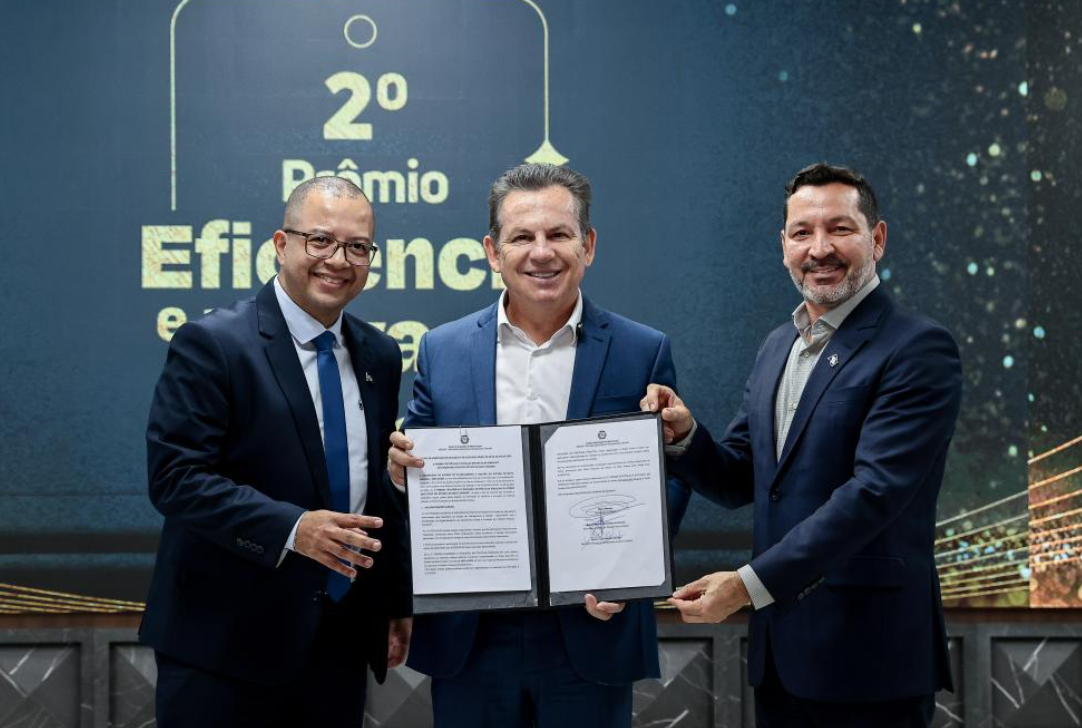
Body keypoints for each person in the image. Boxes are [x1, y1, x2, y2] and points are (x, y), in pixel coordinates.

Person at [651, 163, 961, 727]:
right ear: (784, 246)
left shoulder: (918, 347)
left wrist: (746, 586)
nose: (820, 248)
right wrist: (687, 436)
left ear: (877, 238)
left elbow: (873, 494)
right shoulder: (779, 346)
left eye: (839, 229)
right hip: (782, 656)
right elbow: (742, 477)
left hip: (871, 659)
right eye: (802, 232)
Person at [386, 163, 691, 728]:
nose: (541, 252)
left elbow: (670, 471)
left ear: (588, 245)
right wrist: (400, 473)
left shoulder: (642, 350)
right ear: (492, 252)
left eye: (559, 234)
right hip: (471, 634)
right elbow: (412, 479)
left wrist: (630, 568)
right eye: (522, 236)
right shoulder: (442, 350)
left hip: (592, 627)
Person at [140, 177, 411, 727]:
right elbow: (176, 478)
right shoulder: (213, 343)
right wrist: (293, 529)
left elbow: (373, 492)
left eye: (358, 247)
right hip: (224, 649)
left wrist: (392, 600)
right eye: (320, 240)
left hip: (338, 643)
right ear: (281, 244)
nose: (339, 260)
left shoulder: (380, 354)